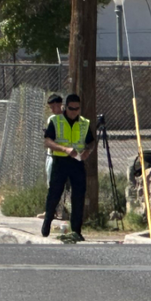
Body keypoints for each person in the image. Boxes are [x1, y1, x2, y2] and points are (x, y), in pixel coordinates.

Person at [42, 93, 95, 241]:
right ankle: (47, 223)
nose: (74, 112)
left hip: (77, 163)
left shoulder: (84, 122)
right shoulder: (56, 121)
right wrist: (64, 149)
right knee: (54, 194)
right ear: (66, 107)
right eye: (71, 109)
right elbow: (48, 141)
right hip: (60, 162)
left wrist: (87, 151)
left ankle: (76, 231)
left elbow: (91, 141)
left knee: (78, 196)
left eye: (77, 109)